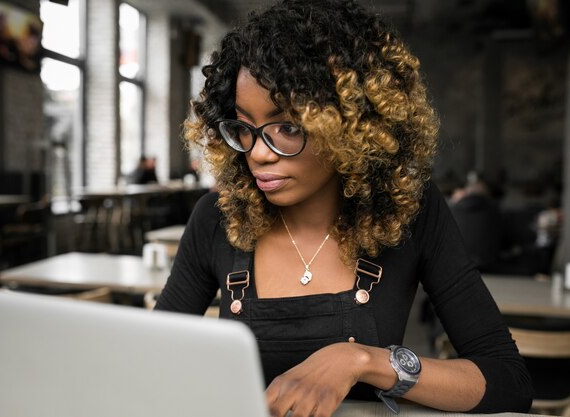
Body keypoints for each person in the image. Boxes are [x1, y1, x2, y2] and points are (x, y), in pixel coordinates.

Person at [155, 1, 533, 415]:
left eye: (288, 127)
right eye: (244, 127)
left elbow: (506, 380)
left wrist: (364, 361)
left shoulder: (411, 212)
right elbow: (151, 362)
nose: (258, 153)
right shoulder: (218, 217)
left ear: (352, 129)